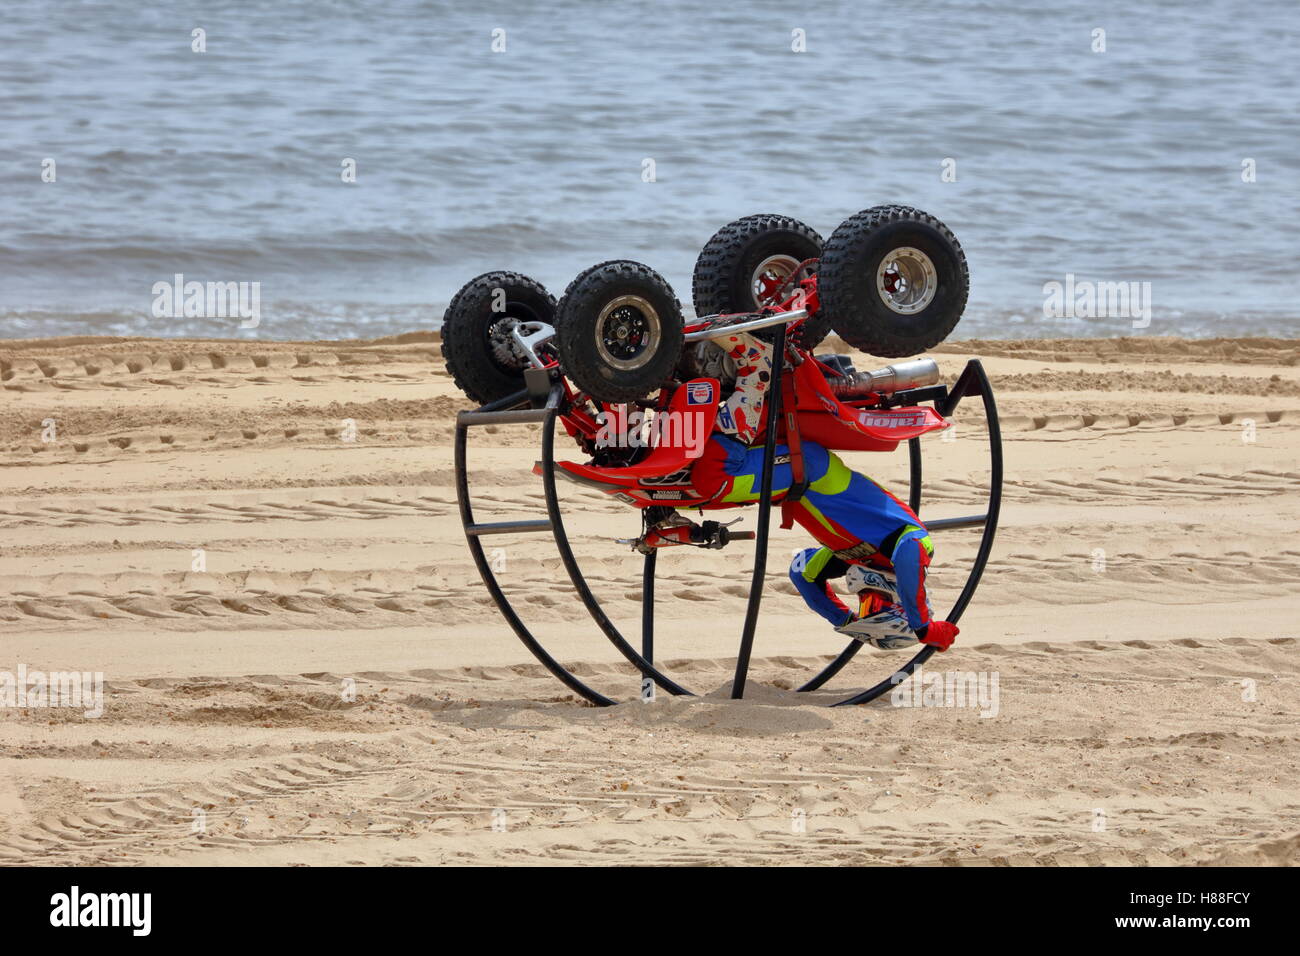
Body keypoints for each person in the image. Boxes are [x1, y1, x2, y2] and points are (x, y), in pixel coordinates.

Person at [646, 329, 959, 652]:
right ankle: (757, 369)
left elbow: (803, 573)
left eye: (864, 608)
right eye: (873, 607)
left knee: (685, 482)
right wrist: (922, 626)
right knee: (714, 481)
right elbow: (909, 558)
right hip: (809, 473)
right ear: (899, 603)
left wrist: (842, 618)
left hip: (793, 485)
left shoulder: (856, 560)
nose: (863, 597)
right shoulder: (912, 547)